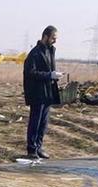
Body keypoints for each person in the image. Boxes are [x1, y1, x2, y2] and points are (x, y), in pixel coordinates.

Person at [23, 25, 62, 159]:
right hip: (37, 93)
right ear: (46, 36)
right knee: (35, 121)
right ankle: (31, 149)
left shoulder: (50, 51)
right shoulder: (35, 53)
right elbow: (30, 73)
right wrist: (49, 75)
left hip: (47, 92)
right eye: (53, 38)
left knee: (43, 123)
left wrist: (54, 76)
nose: (55, 41)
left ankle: (39, 147)